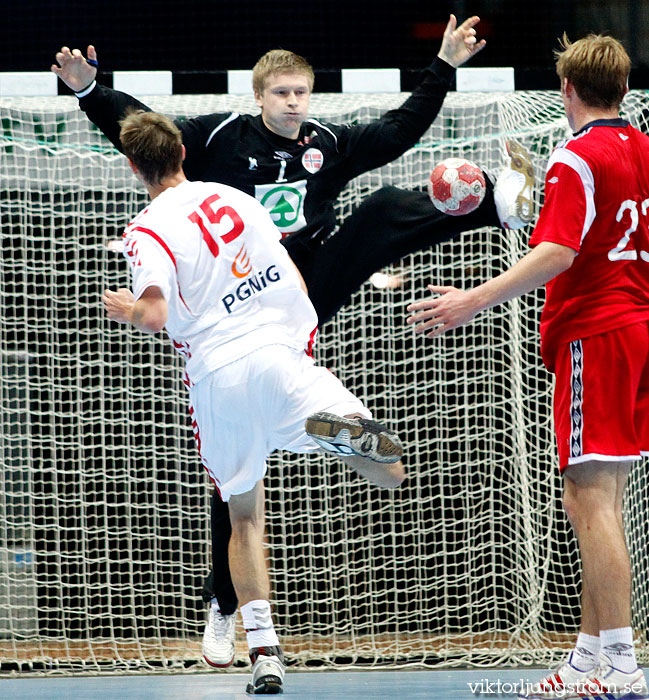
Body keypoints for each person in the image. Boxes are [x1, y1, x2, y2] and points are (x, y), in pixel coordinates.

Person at [51, 15, 536, 668]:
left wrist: (443, 64)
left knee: (383, 206)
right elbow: (148, 132)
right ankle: (226, 601)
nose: (291, 103)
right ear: (258, 96)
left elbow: (394, 134)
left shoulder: (325, 143)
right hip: (237, 320)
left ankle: (494, 206)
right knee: (240, 481)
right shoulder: (217, 146)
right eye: (279, 93)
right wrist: (90, 92)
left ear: (310, 96)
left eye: (300, 93)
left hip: (292, 294)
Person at [104, 108, 406, 694]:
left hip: (219, 378)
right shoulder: (235, 198)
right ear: (184, 154)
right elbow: (291, 274)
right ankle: (320, 430)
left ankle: (264, 652)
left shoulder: (143, 231)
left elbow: (157, 314)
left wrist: (129, 309)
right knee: (390, 468)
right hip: (281, 360)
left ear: (133, 166)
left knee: (243, 515)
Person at [406, 33, 649, 700]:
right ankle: (587, 660)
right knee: (598, 498)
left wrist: (470, 299)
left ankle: (622, 669)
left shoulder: (576, 155)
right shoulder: (641, 148)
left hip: (592, 333)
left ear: (565, 91)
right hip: (633, 327)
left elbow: (559, 254)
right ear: (622, 91)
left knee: (588, 499)